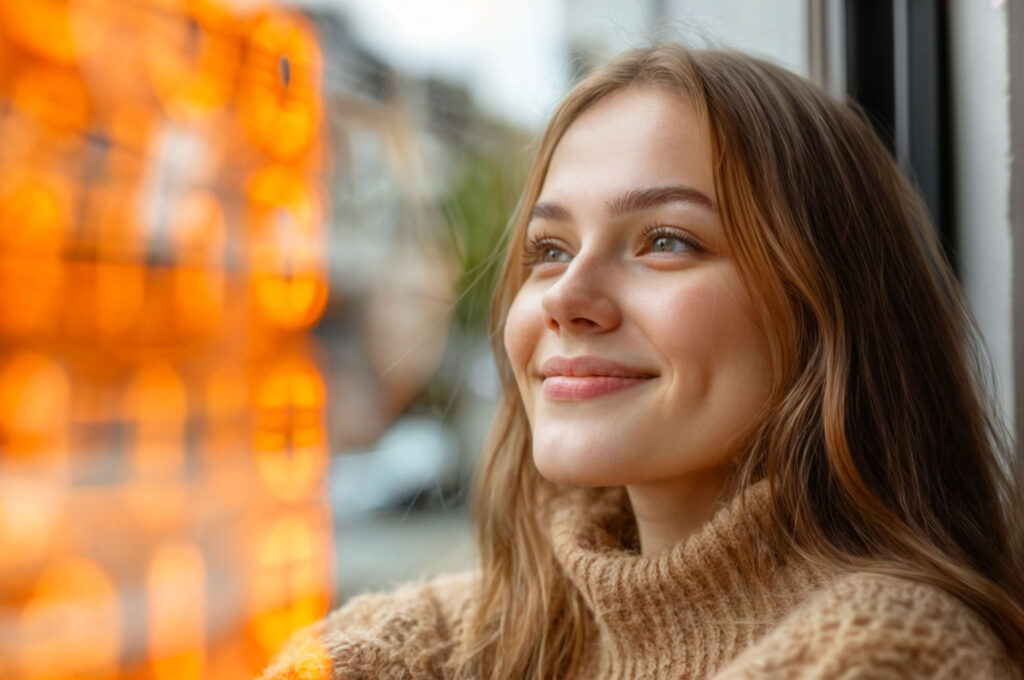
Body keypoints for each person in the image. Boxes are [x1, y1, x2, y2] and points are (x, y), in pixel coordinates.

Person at [261, 44, 1024, 679]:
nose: (566, 296)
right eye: (548, 250)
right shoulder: (449, 640)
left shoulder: (888, 654)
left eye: (666, 241)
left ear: (829, 305)